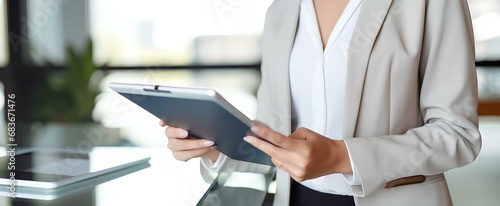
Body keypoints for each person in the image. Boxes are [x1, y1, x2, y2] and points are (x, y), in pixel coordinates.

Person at [160, 0, 482, 205]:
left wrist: (343, 156)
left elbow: (458, 134)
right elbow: (273, 144)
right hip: (295, 199)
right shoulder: (280, 12)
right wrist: (212, 147)